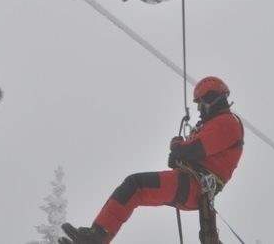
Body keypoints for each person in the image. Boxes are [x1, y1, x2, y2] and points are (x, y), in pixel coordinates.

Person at [59, 76, 244, 244]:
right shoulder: (215, 125)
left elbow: (194, 150)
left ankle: (97, 236)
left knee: (136, 185)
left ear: (210, 99)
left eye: (200, 103)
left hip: (195, 185)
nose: (199, 109)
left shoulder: (227, 123)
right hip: (193, 184)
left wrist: (178, 146)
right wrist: (179, 153)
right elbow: (190, 153)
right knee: (136, 188)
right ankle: (98, 235)